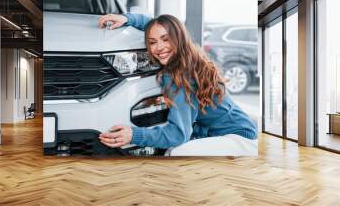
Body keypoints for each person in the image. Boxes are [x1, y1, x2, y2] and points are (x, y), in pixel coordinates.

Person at [97, 13, 258, 156]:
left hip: (239, 138)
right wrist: (128, 19)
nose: (159, 47)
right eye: (152, 42)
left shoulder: (180, 75)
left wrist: (133, 135)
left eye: (165, 39)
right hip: (233, 130)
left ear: (178, 38)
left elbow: (177, 135)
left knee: (175, 152)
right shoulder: (188, 57)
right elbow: (155, 25)